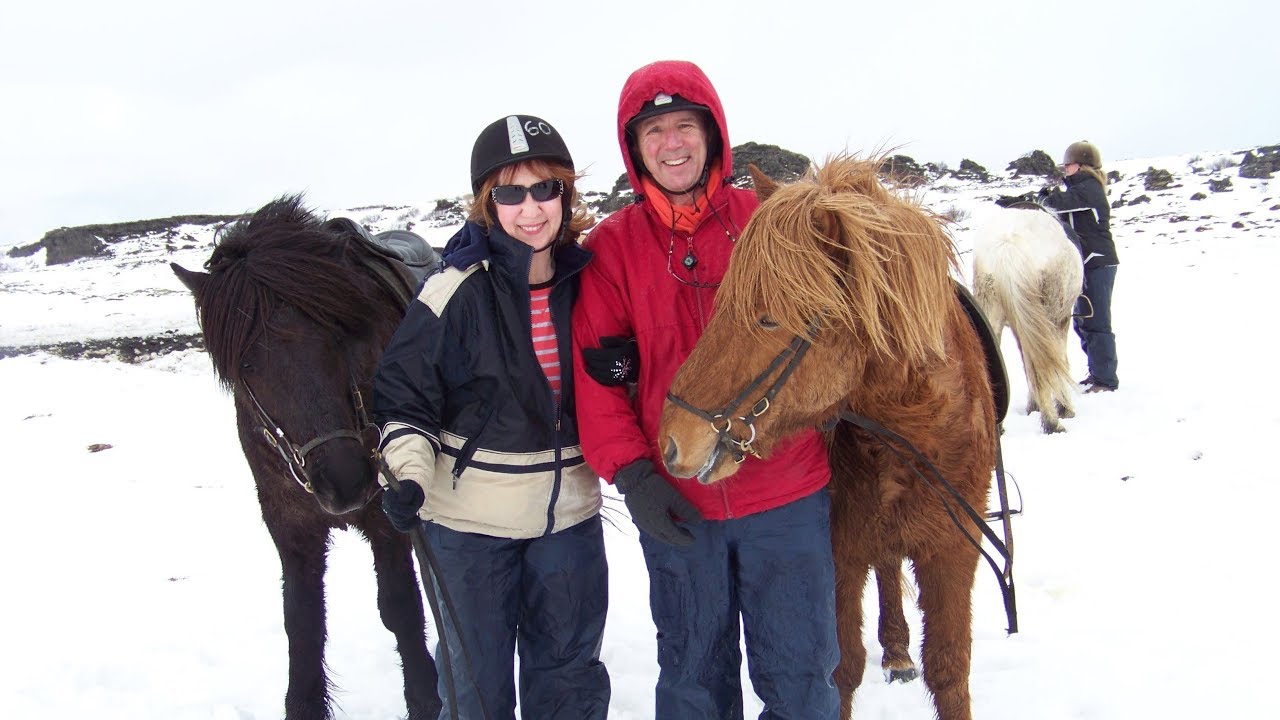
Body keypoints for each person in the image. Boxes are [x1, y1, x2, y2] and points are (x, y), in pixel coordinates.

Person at [572, 60, 840, 718]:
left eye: (685, 126)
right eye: (654, 130)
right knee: (694, 678)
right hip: (680, 499)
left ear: (713, 134)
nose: (672, 143)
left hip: (786, 496)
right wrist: (636, 478)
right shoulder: (612, 249)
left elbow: (835, 338)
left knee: (803, 676)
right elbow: (597, 383)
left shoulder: (769, 222)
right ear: (634, 150)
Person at [374, 114, 609, 719]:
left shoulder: (590, 282)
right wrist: (407, 473)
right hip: (469, 530)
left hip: (572, 521)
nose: (530, 208)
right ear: (487, 204)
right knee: (476, 691)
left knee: (569, 684)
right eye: (510, 193)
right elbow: (404, 396)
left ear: (565, 193)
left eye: (544, 188)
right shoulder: (453, 289)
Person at [1040, 140, 1120, 392]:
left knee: (1097, 321)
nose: (1065, 169)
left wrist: (1043, 198)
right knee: (1083, 322)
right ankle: (1097, 373)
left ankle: (1105, 379)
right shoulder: (1079, 189)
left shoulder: (1090, 188)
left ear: (1082, 165)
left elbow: (1060, 204)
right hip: (1085, 263)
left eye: (1069, 164)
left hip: (1098, 262)